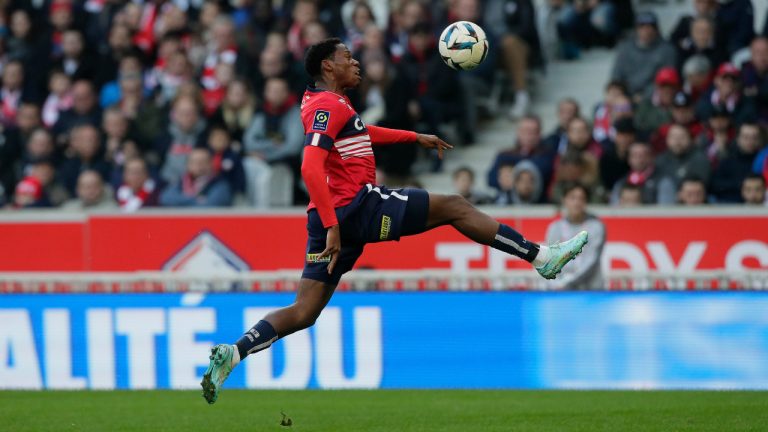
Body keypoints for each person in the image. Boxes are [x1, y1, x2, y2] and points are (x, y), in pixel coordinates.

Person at [200, 38, 589, 404]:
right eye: (347, 57)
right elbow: (309, 166)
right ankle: (541, 257)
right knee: (455, 205)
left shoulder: (321, 102)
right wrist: (336, 224)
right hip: (353, 208)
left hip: (326, 219)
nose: (355, 63)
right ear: (328, 65)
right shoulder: (329, 107)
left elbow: (359, 133)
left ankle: (235, 352)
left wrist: (411, 137)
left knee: (304, 310)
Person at [545, 183, 605, 290]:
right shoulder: (555, 228)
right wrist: (555, 283)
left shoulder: (596, 227)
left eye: (581, 198)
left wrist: (566, 282)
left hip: (591, 291)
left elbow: (591, 260)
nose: (577, 203)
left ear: (585, 202)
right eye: (572, 198)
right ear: (564, 200)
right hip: (562, 292)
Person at [610, 11, 676, 101]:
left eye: (649, 26)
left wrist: (644, 96)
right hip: (626, 97)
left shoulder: (667, 50)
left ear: (656, 29)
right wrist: (622, 94)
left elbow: (666, 80)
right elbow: (616, 77)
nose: (646, 30)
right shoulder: (625, 48)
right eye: (642, 26)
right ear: (636, 29)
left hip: (655, 98)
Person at [159, 147, 232, 207]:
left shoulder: (220, 184)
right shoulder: (180, 182)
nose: (199, 165)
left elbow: (210, 206)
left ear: (211, 164)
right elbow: (165, 198)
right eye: (195, 162)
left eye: (203, 161)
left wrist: (180, 202)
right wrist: (196, 200)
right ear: (188, 165)